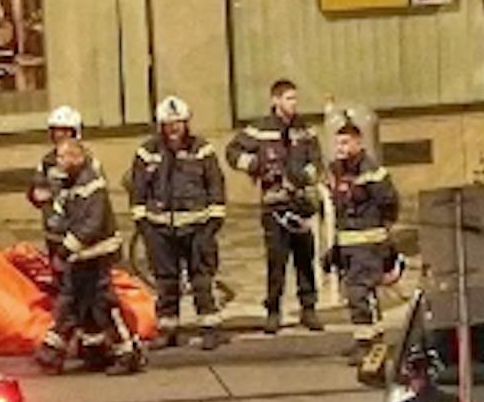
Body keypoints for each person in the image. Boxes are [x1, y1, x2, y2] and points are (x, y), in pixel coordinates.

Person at [35, 139, 144, 375]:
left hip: (97, 254)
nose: (60, 162)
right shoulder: (69, 184)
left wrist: (64, 249)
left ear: (77, 158)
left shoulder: (91, 184)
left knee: (103, 304)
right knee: (75, 304)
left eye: (64, 157)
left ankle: (128, 352)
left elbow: (91, 225)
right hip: (80, 256)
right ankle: (87, 351)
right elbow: (62, 215)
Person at [226, 79, 324, 335]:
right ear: (275, 100)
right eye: (289, 98)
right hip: (274, 206)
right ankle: (273, 310)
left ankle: (309, 307)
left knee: (305, 258)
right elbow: (232, 152)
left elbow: (316, 159)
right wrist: (254, 165)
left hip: (301, 203)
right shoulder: (259, 130)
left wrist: (306, 176)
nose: (294, 103)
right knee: (276, 261)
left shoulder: (305, 130)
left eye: (295, 98)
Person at [128, 95, 225, 351]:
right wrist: (144, 226)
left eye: (179, 123)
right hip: (160, 229)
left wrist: (213, 223)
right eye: (169, 124)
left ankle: (210, 327)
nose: (174, 129)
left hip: (198, 227)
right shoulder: (147, 152)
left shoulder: (202, 149)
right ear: (160, 125)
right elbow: (138, 190)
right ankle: (168, 329)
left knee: (202, 279)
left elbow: (216, 184)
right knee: (166, 282)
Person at [325, 118, 399, 366]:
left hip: (368, 243)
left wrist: (382, 234)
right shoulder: (336, 170)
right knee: (361, 293)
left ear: (358, 142)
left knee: (359, 292)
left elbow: (389, 204)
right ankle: (372, 339)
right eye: (338, 143)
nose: (341, 148)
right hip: (347, 243)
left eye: (346, 142)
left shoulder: (372, 171)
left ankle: (366, 344)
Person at [29, 105, 84, 266]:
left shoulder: (87, 162)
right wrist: (36, 195)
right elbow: (35, 191)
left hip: (79, 232)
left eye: (66, 131)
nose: (60, 135)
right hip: (54, 231)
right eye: (57, 131)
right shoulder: (47, 162)